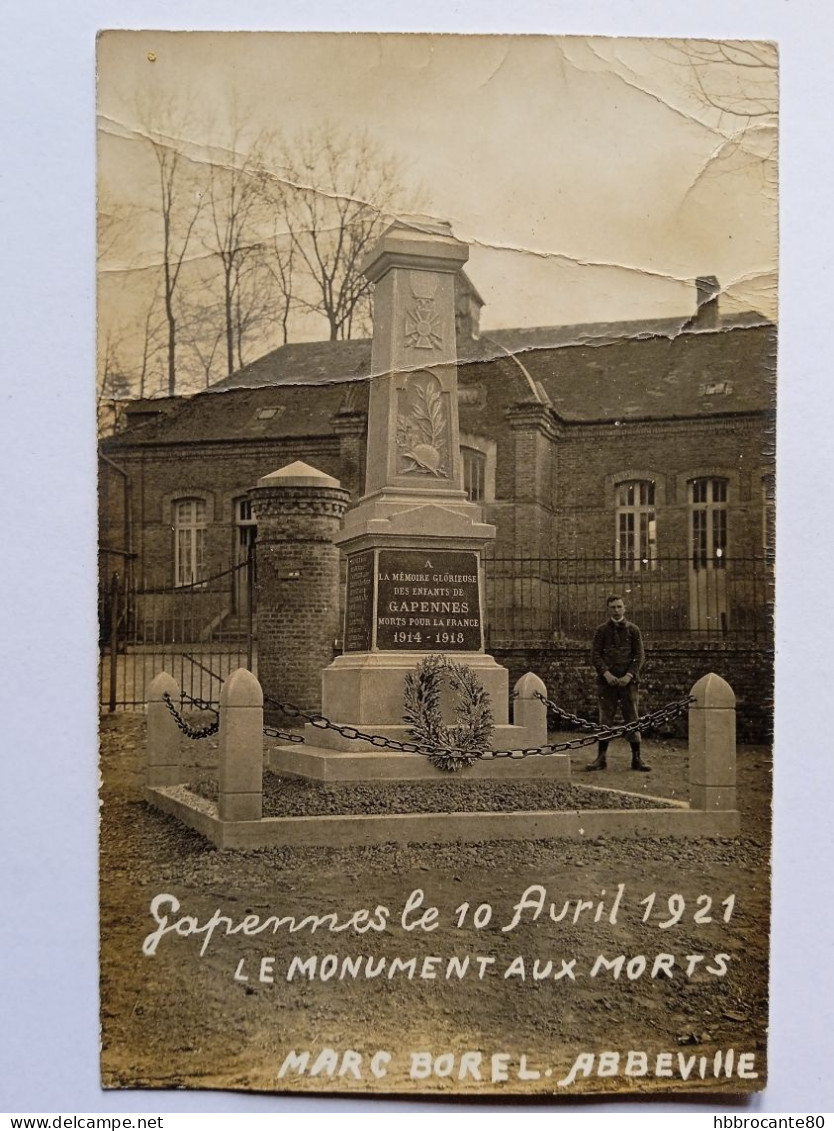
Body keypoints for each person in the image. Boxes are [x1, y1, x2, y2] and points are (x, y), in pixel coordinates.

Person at [586, 595, 651, 772]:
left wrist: (629, 675)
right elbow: (595, 655)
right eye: (613, 607)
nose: (616, 610)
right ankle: (601, 758)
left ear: (625, 608)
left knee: (632, 717)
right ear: (608, 609)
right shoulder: (601, 631)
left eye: (619, 607)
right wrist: (606, 674)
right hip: (607, 683)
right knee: (605, 718)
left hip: (628, 683)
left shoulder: (633, 630)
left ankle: (637, 759)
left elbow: (639, 656)